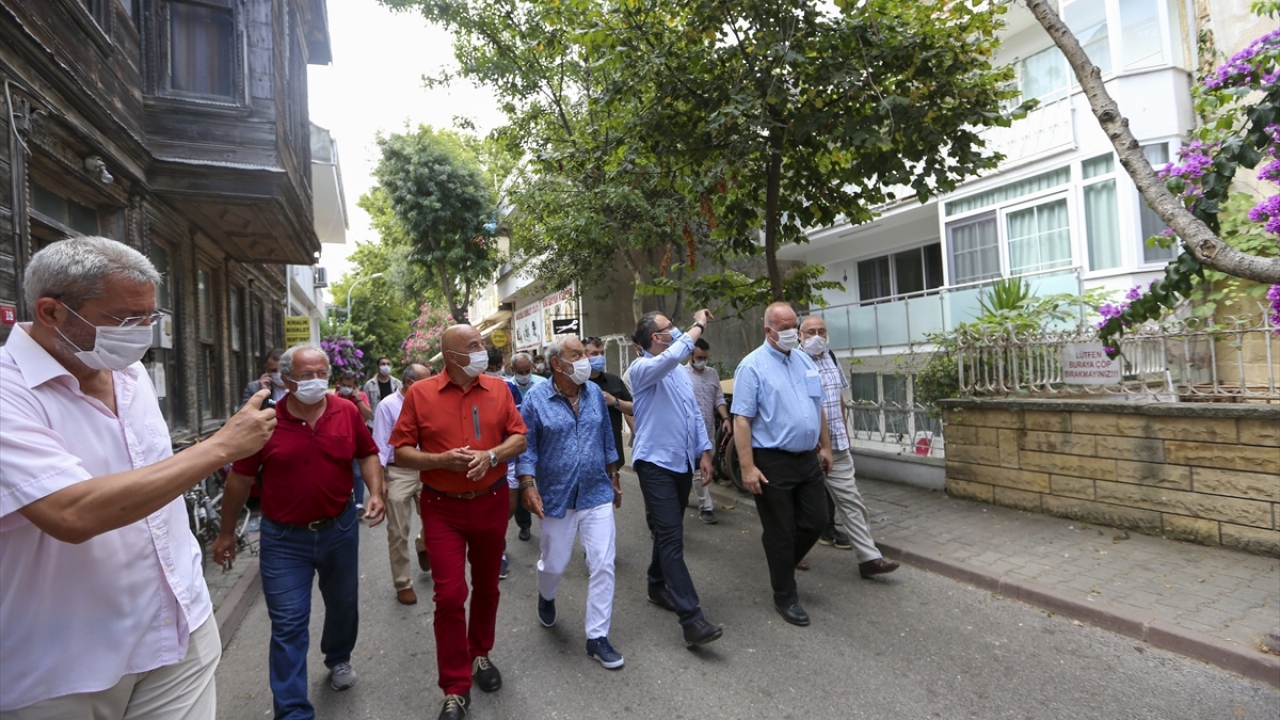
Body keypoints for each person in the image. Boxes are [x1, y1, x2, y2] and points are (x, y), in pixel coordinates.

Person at [0, 236, 276, 719]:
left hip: (179, 630)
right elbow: (70, 512)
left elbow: (154, 479)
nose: (142, 333)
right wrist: (221, 447)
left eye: (150, 317)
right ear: (51, 312)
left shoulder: (129, 374)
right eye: (126, 319)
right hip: (63, 666)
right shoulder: (10, 392)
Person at [215, 345, 385, 720]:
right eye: (307, 375)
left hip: (339, 529)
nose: (316, 381)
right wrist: (227, 532)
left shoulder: (345, 411)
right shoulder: (265, 422)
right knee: (289, 623)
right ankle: (292, 710)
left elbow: (367, 453)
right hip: (283, 540)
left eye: (322, 373)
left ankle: (338, 656)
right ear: (287, 380)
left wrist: (376, 492)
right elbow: (240, 479)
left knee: (343, 605)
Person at [390, 325, 528, 720]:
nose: (483, 349)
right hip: (442, 507)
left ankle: (479, 653)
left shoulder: (499, 389)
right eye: (474, 345)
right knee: (449, 596)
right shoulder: (420, 394)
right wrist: (439, 460)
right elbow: (400, 451)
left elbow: (519, 438)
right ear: (451, 357)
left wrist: (492, 455)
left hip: (491, 501)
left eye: (481, 343)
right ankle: (454, 687)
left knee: (486, 586)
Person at [516, 337, 625, 669]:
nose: (585, 360)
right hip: (556, 497)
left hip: (596, 492)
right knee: (554, 564)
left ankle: (597, 637)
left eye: (585, 354)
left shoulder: (594, 395)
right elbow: (527, 447)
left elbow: (607, 438)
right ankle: (546, 595)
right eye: (576, 355)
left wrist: (614, 475)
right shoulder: (535, 399)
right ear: (557, 364)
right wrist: (528, 484)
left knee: (603, 562)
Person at [732, 302, 833, 627]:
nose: (792, 332)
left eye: (794, 326)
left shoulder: (804, 360)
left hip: (806, 458)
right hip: (772, 460)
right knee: (781, 531)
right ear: (769, 330)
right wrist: (747, 467)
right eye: (785, 328)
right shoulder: (752, 367)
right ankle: (785, 595)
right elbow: (741, 420)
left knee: (817, 520)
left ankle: (782, 564)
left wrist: (826, 447)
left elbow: (818, 406)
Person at [629, 309, 724, 648]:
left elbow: (693, 413)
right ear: (656, 337)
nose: (677, 329)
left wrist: (704, 451)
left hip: (682, 462)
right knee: (672, 538)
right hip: (655, 464)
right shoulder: (641, 368)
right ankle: (691, 619)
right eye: (670, 326)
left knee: (668, 531)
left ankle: (656, 584)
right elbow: (673, 356)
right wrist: (698, 325)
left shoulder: (680, 374)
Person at [799, 316, 900, 579]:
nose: (817, 336)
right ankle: (791, 553)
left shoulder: (831, 357)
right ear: (800, 335)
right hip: (807, 448)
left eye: (821, 331)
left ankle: (869, 559)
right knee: (801, 506)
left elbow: (838, 400)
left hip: (837, 446)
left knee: (852, 501)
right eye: (810, 332)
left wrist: (844, 432)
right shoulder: (794, 361)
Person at [374, 363, 434, 605]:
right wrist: (379, 483)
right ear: (410, 383)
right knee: (398, 531)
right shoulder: (387, 406)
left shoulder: (429, 402)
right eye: (426, 382)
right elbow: (380, 446)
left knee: (437, 520)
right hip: (398, 472)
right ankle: (402, 583)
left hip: (428, 467)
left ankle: (423, 544)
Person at [487, 347, 528, 576]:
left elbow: (519, 423)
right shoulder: (468, 388)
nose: (494, 373)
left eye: (497, 368)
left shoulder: (509, 387)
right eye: (489, 369)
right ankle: (497, 551)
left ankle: (495, 539)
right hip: (481, 457)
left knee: (507, 507)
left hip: (507, 457)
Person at [685, 337, 729, 524]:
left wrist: (725, 419)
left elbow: (719, 398)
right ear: (690, 355)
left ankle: (686, 496)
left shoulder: (712, 374)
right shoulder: (680, 374)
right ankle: (706, 507)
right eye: (699, 357)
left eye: (705, 357)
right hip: (688, 432)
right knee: (697, 469)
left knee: (701, 468)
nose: (702, 361)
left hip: (708, 429)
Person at [585, 337, 634, 467]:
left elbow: (633, 408)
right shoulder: (576, 384)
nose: (600, 357)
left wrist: (614, 402)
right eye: (594, 354)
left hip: (613, 452)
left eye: (602, 353)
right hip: (586, 456)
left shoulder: (614, 381)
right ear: (583, 356)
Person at [335, 371, 374, 512]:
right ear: (339, 384)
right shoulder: (335, 398)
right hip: (340, 440)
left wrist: (357, 399)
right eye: (344, 385)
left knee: (357, 473)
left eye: (349, 386)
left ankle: (358, 504)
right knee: (340, 471)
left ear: (354, 386)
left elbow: (368, 415)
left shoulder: (361, 396)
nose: (346, 388)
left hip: (356, 439)